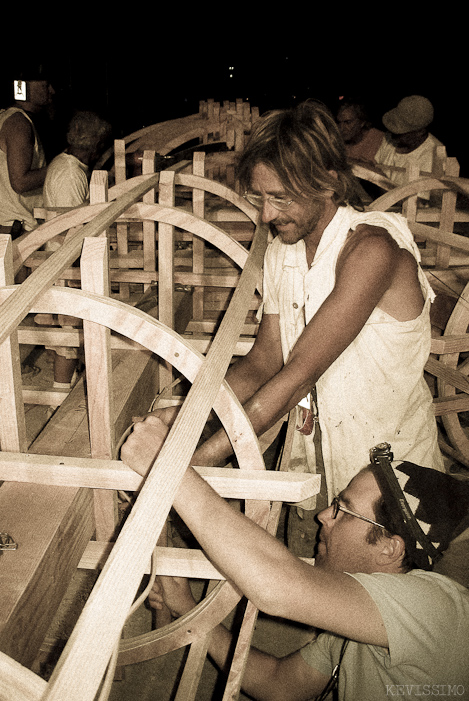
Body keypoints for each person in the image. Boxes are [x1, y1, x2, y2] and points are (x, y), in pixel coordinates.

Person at [122, 99, 444, 555]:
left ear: (329, 182)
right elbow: (262, 364)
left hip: (386, 480)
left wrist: (187, 463)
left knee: (371, 604)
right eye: (260, 198)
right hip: (316, 460)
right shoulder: (283, 254)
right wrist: (182, 419)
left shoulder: (372, 250)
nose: (267, 215)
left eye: (281, 197)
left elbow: (297, 376)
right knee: (314, 586)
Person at [121, 430, 469, 700]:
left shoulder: (434, 606)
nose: (322, 516)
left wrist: (166, 466)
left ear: (390, 550)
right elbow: (279, 686)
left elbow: (276, 588)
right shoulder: (362, 616)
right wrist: (188, 609)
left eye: (342, 511)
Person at [35, 110, 112, 388]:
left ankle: (67, 386)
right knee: (68, 329)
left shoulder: (68, 165)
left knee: (70, 328)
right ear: (93, 144)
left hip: (65, 256)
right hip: (65, 259)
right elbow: (71, 224)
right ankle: (59, 393)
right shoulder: (70, 172)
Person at [0, 66, 54, 236]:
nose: (51, 91)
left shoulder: (18, 119)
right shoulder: (18, 123)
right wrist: (59, 167)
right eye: (45, 86)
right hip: (18, 228)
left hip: (19, 226)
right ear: (23, 87)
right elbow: (20, 182)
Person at [374, 95, 446, 201]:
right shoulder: (390, 138)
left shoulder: (434, 155)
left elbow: (418, 204)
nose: (392, 133)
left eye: (399, 132)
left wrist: (378, 177)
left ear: (420, 132)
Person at [336, 98, 384, 166]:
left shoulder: (379, 139)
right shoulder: (338, 140)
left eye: (348, 122)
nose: (341, 128)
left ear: (362, 122)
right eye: (338, 122)